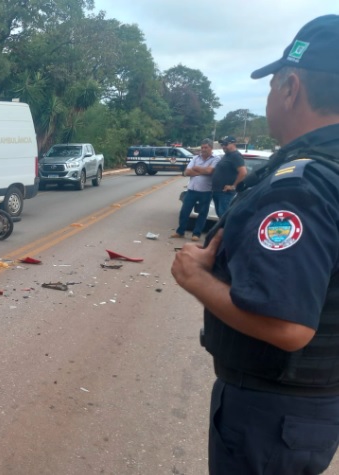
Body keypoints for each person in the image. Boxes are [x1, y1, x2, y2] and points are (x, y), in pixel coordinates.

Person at [171, 15, 339, 474]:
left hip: (273, 412)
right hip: (307, 405)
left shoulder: (300, 186)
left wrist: (194, 276)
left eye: (270, 88)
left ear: (290, 87)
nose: (269, 98)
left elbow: (288, 326)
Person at [170, 138, 219, 242]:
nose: (203, 149)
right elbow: (187, 172)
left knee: (202, 213)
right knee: (184, 211)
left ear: (211, 148)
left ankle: (196, 234)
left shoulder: (215, 159)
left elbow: (210, 171)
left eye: (206, 147)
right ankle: (180, 231)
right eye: (202, 147)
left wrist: (196, 169)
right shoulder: (196, 158)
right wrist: (202, 171)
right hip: (191, 190)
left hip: (206, 191)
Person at [211, 135, 247, 217]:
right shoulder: (227, 155)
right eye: (222, 144)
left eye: (225, 144)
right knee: (220, 216)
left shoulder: (236, 156)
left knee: (224, 217)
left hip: (225, 193)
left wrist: (233, 186)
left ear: (233, 143)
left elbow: (243, 172)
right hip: (217, 191)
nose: (223, 146)